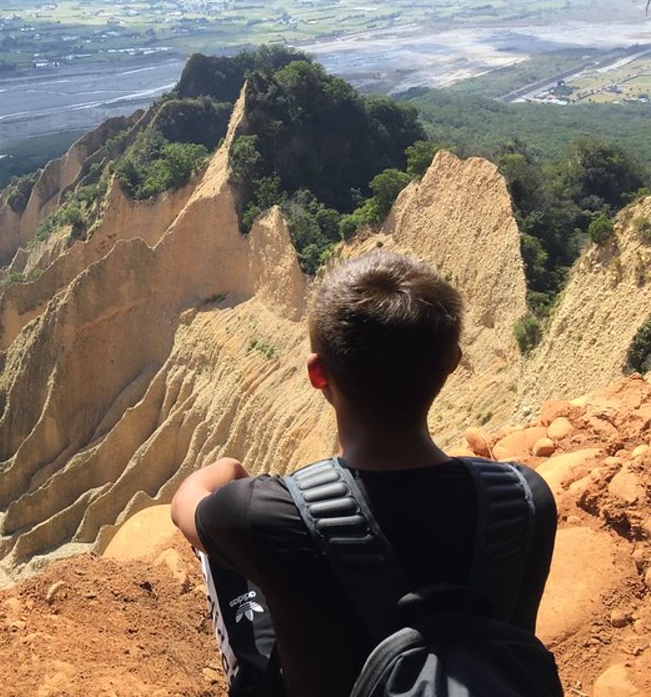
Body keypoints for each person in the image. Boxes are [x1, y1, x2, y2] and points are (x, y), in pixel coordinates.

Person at [170, 250, 557, 697]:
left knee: (228, 572)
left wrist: (231, 473)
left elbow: (186, 506)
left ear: (318, 374)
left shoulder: (270, 516)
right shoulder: (526, 499)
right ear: (452, 362)